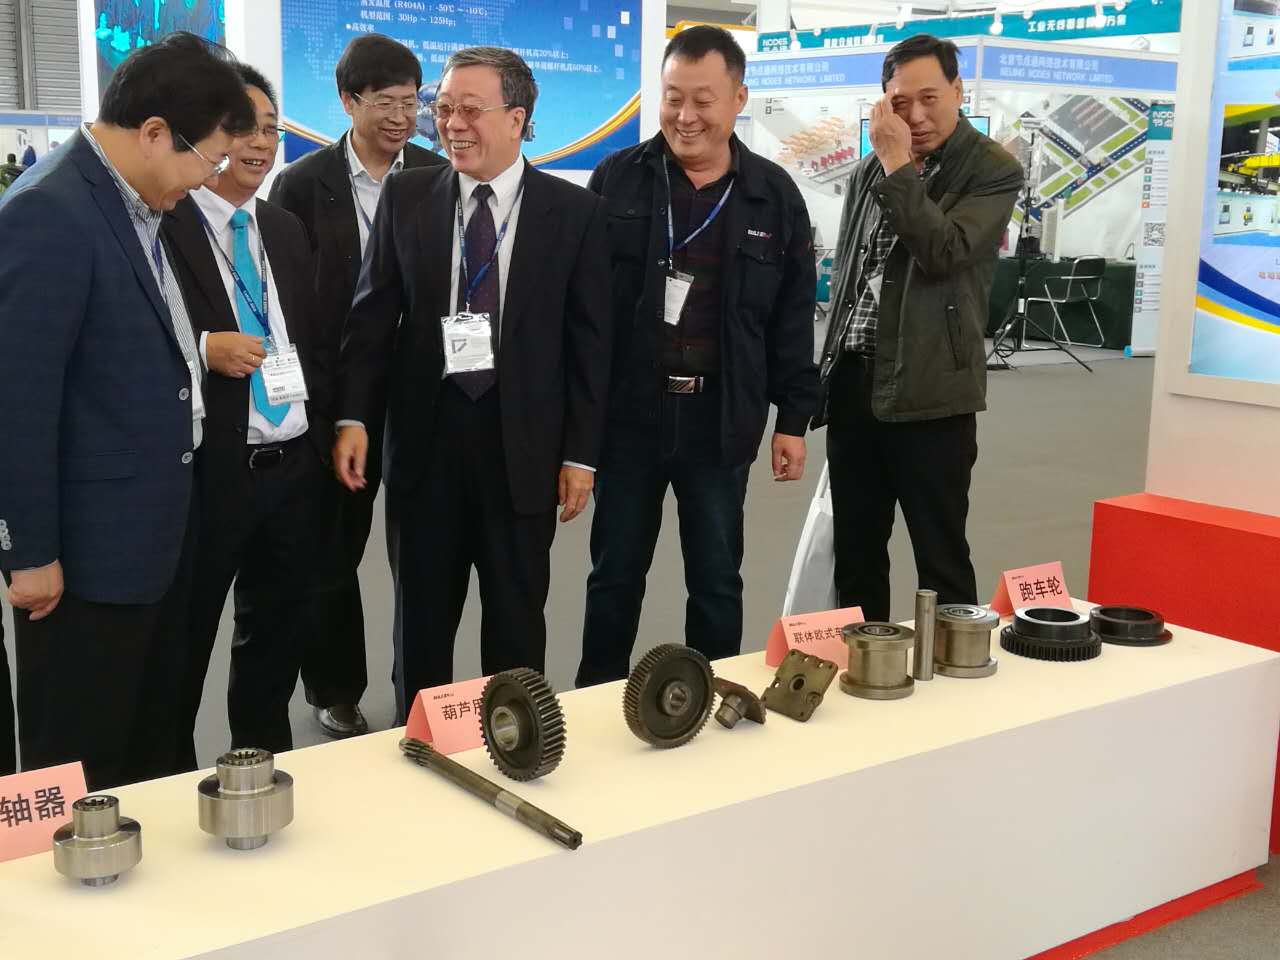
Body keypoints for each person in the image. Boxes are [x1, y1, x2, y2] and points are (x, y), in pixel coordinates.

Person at [0, 33, 255, 789]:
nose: (208, 179)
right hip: (85, 559)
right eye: (207, 159)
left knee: (149, 745)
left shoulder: (136, 204)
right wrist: (29, 551)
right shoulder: (50, 212)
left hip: (153, 535)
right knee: (80, 759)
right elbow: (18, 397)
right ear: (153, 133)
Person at [334, 46, 610, 722]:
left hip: (524, 449)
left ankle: (514, 736)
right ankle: (417, 740)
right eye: (444, 109)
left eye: (469, 110)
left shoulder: (573, 214)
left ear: (517, 119)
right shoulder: (407, 198)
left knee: (516, 617)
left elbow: (590, 344)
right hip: (425, 445)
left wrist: (580, 454)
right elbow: (372, 319)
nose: (451, 125)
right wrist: (355, 417)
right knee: (421, 620)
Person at [576, 26, 819, 687]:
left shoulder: (773, 194)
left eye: (703, 100)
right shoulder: (617, 179)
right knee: (614, 573)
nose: (685, 116)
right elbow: (584, 309)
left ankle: (711, 695)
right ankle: (598, 693)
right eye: (672, 97)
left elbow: (792, 315)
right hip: (630, 416)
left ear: (738, 98)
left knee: (716, 577)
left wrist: (793, 419)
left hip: (721, 416)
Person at [269, 34, 448, 739]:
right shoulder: (302, 184)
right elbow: (289, 299)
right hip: (338, 396)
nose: (402, 117)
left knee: (424, 550)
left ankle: (420, 692)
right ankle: (336, 687)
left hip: (422, 395)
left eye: (412, 102)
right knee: (333, 550)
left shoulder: (437, 173)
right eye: (385, 103)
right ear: (349, 102)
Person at [814, 35, 1023, 622]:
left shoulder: (991, 169)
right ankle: (866, 663)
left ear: (958, 90)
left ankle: (956, 671)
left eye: (930, 98)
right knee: (856, 549)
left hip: (933, 391)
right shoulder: (869, 170)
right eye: (900, 103)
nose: (917, 116)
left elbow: (943, 251)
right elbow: (850, 272)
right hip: (856, 384)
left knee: (941, 553)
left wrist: (897, 165)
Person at [162, 65, 332, 767]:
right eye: (244, 128)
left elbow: (309, 342)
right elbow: (135, 340)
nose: (260, 143)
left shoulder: (283, 229)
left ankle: (260, 767)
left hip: (291, 464)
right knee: (184, 638)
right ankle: (166, 775)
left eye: (270, 129)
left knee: (277, 634)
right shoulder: (166, 224)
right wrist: (206, 348)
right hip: (213, 469)